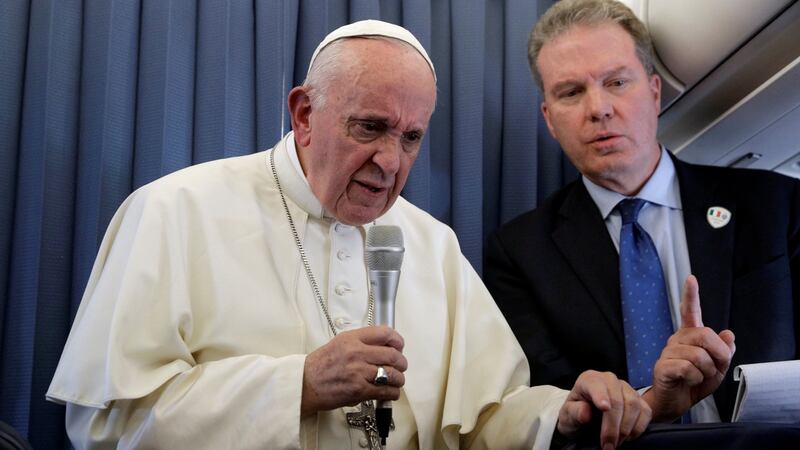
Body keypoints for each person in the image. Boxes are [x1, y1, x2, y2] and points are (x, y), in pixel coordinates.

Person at [47, 20, 652, 450]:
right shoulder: (173, 212)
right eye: (370, 128)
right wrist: (299, 385)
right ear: (305, 115)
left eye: (411, 137)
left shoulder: (432, 245)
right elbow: (106, 426)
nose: (391, 161)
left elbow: (485, 418)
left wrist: (560, 413)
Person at [484, 0, 798, 425]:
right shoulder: (520, 252)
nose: (598, 108)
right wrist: (649, 402)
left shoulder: (776, 204)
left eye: (616, 82)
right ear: (550, 120)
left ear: (653, 92)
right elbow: (548, 407)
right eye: (571, 92)